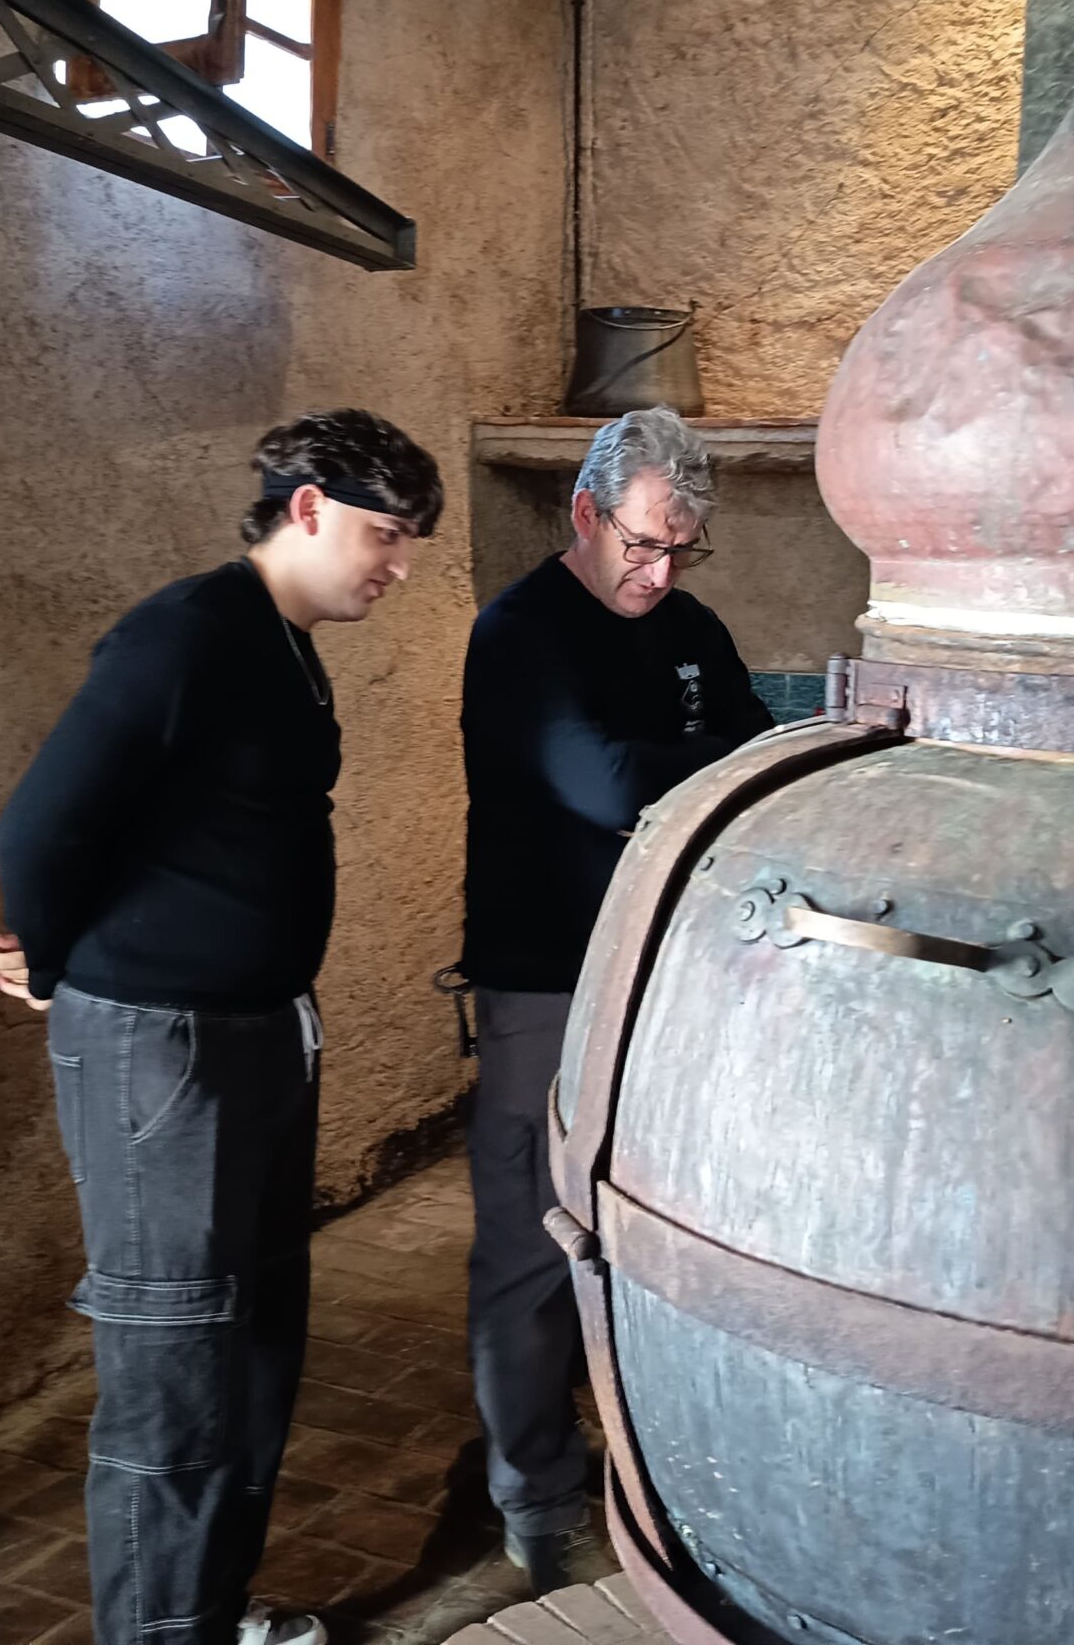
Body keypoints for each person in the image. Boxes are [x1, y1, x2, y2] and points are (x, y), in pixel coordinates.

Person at [0, 409, 444, 1645]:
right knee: (175, 1371)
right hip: (161, 1051)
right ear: (308, 509)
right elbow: (41, 824)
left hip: (253, 1036)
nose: (401, 565)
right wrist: (53, 965)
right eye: (387, 535)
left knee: (251, 1349)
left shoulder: (283, 644)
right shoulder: (185, 633)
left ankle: (208, 1610)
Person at [456, 407, 774, 1591]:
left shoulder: (692, 627)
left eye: (682, 549)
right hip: (549, 976)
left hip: (669, 977)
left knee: (660, 1226)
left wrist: (702, 764)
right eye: (642, 545)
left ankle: (650, 1459)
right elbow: (601, 785)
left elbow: (756, 749)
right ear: (586, 513)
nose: (660, 574)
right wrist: (714, 765)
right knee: (531, 1239)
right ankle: (535, 1490)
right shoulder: (520, 633)